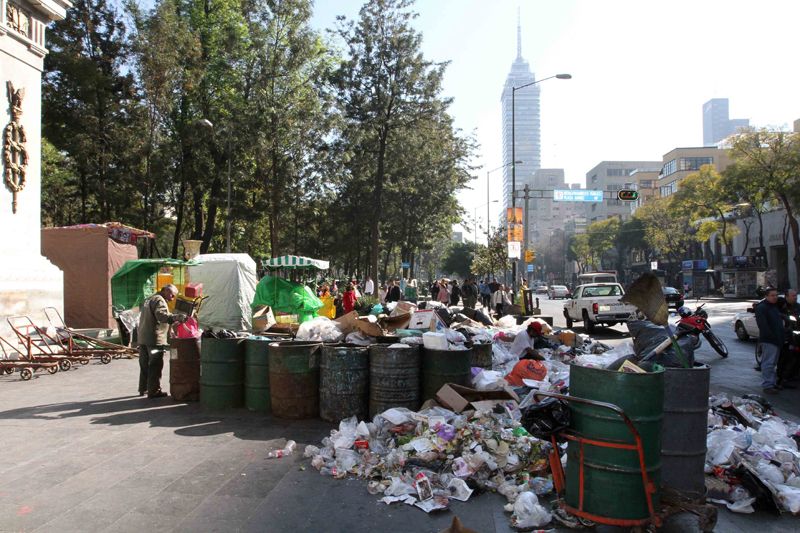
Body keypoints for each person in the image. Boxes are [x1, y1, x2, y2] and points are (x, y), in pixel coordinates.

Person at [137, 284, 186, 398]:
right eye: (172, 295)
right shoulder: (159, 300)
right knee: (155, 364)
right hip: (154, 339)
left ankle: (143, 388)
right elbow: (162, 316)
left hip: (143, 338)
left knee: (144, 365)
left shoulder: (150, 298)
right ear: (166, 291)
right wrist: (176, 317)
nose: (172, 298)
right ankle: (154, 390)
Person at [755, 287, 785, 394]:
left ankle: (771, 383)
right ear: (766, 296)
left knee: (773, 363)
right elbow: (763, 325)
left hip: (776, 340)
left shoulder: (773, 307)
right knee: (768, 363)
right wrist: (771, 336)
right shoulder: (762, 308)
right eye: (772, 295)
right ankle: (767, 385)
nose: (775, 297)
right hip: (769, 340)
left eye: (776, 295)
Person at [778, 289, 800, 388]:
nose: (795, 297)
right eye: (793, 296)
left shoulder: (797, 306)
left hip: (796, 336)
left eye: (796, 295)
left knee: (795, 357)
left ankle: (793, 376)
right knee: (786, 358)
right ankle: (782, 379)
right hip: (787, 337)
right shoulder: (781, 306)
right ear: (787, 296)